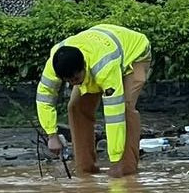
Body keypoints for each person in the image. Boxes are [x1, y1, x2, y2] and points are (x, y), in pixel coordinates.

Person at [36, 24, 151, 177]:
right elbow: (45, 97)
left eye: (76, 79)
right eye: (68, 81)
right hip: (98, 48)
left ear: (84, 66)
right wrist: (51, 135)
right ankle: (85, 169)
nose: (73, 84)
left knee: (125, 108)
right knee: (75, 107)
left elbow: (114, 115)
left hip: (134, 54)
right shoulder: (55, 64)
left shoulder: (104, 68)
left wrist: (116, 161)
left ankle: (126, 170)